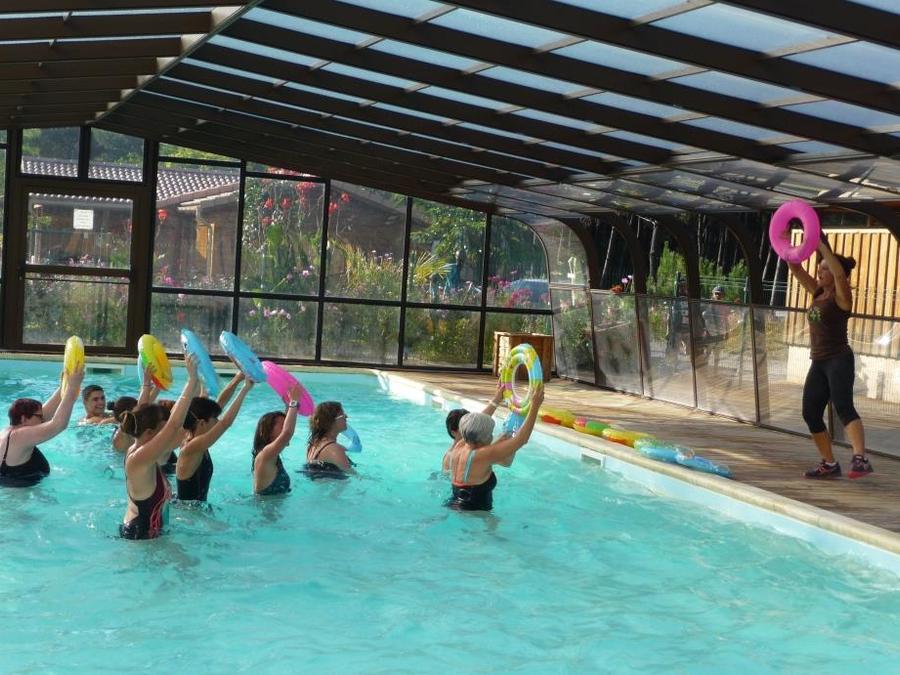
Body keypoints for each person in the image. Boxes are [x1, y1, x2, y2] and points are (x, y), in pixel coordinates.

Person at [787, 239, 872, 479]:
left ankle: (860, 459)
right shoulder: (818, 291)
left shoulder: (842, 297)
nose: (820, 271)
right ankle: (830, 463)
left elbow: (839, 275)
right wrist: (785, 244)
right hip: (819, 361)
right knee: (810, 412)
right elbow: (796, 269)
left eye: (825, 268)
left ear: (836, 274)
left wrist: (820, 245)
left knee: (843, 406)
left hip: (838, 359)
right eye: (819, 267)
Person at [120, 357, 199, 540]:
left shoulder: (147, 450)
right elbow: (174, 424)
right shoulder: (139, 458)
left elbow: (140, 414)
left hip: (149, 533)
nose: (167, 433)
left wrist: (147, 384)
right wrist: (191, 380)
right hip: (139, 536)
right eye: (162, 429)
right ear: (149, 432)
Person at [445, 387, 544, 511]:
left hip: (453, 504)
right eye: (491, 433)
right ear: (483, 438)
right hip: (473, 514)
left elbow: (473, 424)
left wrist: (497, 399)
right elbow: (521, 439)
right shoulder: (482, 455)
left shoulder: (460, 445)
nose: (492, 436)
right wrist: (535, 406)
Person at [1, 367, 84, 487]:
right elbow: (59, 424)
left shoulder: (9, 431)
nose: (42, 420)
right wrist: (72, 389)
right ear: (24, 419)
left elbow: (47, 414)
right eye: (39, 417)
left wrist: (64, 386)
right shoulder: (20, 435)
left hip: (20, 484)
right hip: (19, 492)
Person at [176, 376, 254, 501]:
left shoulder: (192, 435)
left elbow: (220, 403)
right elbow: (226, 423)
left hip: (196, 508)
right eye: (215, 419)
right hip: (189, 511)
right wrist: (244, 389)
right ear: (202, 423)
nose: (218, 422)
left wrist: (238, 378)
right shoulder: (192, 446)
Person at [441, 381, 506, 473]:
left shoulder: (464, 446)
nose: (469, 428)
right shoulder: (453, 455)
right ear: (453, 432)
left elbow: (479, 420)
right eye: (464, 427)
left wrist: (497, 399)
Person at [252, 384, 302, 495]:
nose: (285, 428)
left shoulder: (272, 456)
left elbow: (287, 429)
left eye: (285, 425)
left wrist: (288, 406)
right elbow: (287, 433)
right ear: (268, 431)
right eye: (282, 426)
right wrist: (294, 402)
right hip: (264, 507)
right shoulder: (265, 455)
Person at [303, 401, 353, 480]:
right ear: (331, 421)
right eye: (342, 414)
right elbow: (353, 476)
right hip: (335, 487)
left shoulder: (313, 444)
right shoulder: (334, 449)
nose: (346, 416)